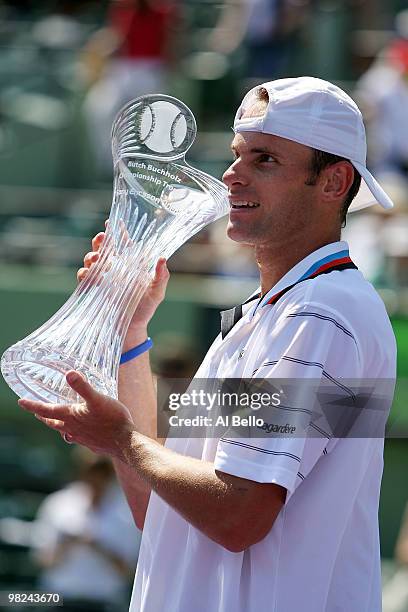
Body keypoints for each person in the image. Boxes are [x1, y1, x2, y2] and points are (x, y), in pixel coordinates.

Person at [19, 77, 397, 612]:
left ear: (334, 181)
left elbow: (237, 515)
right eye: (237, 154)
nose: (231, 175)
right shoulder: (264, 316)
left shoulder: (322, 313)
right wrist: (131, 334)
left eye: (264, 160)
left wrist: (122, 440)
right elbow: (163, 512)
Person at [32, 449, 140, 611]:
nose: (95, 478)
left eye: (102, 472)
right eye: (90, 471)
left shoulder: (128, 512)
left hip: (104, 603)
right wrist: (66, 544)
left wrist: (98, 546)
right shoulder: (58, 504)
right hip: (59, 600)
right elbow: (43, 560)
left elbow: (129, 572)